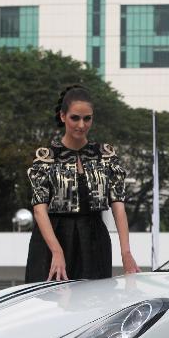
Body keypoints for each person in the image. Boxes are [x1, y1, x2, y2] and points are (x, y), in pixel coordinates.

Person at [25, 85, 140, 282]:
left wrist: (126, 252)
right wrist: (57, 251)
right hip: (53, 240)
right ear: (62, 116)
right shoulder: (46, 159)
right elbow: (39, 210)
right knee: (49, 306)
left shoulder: (106, 156)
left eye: (87, 118)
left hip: (94, 240)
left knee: (95, 305)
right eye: (75, 118)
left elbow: (118, 206)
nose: (81, 125)